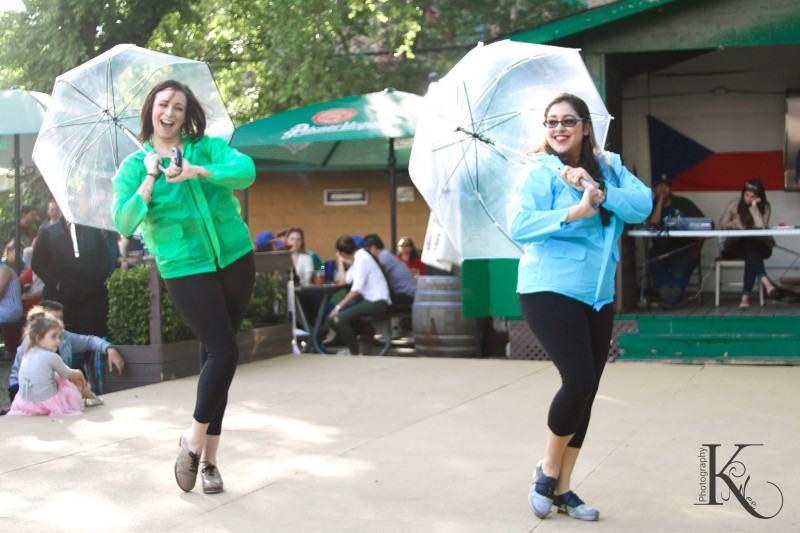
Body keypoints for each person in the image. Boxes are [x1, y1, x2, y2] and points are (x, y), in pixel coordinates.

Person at [507, 93, 651, 521]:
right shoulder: (539, 170)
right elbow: (519, 224)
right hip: (548, 287)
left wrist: (601, 193)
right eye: (551, 122)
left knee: (587, 391)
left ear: (586, 127)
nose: (559, 128)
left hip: (597, 293)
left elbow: (641, 206)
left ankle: (564, 489)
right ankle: (547, 471)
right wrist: (575, 209)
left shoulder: (609, 166)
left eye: (568, 121)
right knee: (578, 379)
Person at [112, 79, 256, 495]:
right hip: (184, 268)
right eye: (162, 105)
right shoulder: (133, 167)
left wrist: (197, 171)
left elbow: (246, 172)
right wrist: (150, 180)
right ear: (150, 111)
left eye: (177, 105)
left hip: (235, 257)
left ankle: (209, 462)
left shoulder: (206, 147)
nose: (170, 113)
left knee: (218, 359)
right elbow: (123, 221)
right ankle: (193, 441)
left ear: (186, 111)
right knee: (225, 351)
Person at [8, 300, 124, 404]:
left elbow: (89, 340)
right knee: (73, 380)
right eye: (54, 319)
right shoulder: (31, 343)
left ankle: (91, 399)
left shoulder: (64, 337)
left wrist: (109, 348)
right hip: (23, 389)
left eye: (61, 318)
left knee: (70, 382)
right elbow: (29, 377)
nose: (59, 322)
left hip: (50, 385)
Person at [31, 215, 111, 339]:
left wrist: (94, 283)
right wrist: (55, 283)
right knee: (62, 336)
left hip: (90, 297)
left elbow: (105, 260)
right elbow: (37, 263)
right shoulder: (49, 232)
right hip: (60, 298)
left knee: (89, 336)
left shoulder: (92, 231)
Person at [7, 316, 91, 416]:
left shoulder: (27, 353)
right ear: (39, 338)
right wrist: (79, 372)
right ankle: (91, 396)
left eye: (59, 337)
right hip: (47, 402)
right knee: (69, 380)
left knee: (55, 375)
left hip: (24, 403)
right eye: (53, 336)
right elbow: (66, 373)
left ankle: (90, 396)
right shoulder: (51, 356)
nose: (58, 341)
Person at [647, 174, 705, 308]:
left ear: (671, 189)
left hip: (684, 246)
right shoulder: (650, 205)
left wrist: (697, 249)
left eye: (666, 186)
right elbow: (654, 223)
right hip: (661, 247)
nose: (663, 189)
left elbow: (704, 225)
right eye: (659, 187)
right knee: (655, 262)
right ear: (654, 190)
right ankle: (671, 298)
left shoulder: (684, 203)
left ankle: (669, 298)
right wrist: (660, 200)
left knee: (680, 270)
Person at [719, 179, 779, 308]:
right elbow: (721, 225)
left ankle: (746, 297)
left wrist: (754, 208)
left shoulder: (765, 206)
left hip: (759, 244)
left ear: (759, 197)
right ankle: (764, 284)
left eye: (752, 197)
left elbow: (761, 227)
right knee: (750, 249)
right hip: (735, 246)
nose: (748, 198)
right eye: (746, 195)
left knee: (751, 248)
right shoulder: (734, 204)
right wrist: (729, 224)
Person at [326, 235, 391, 356]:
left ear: (342, 252)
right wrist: (341, 261)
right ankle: (363, 335)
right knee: (330, 320)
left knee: (339, 318)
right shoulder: (356, 260)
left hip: (377, 301)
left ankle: (354, 352)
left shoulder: (362, 258)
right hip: (370, 300)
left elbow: (357, 290)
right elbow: (344, 280)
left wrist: (338, 307)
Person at [363, 233, 416, 306]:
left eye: (367, 251)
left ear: (373, 248)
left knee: (376, 302)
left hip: (406, 295)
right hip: (407, 293)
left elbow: (371, 277)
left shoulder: (384, 258)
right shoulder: (386, 254)